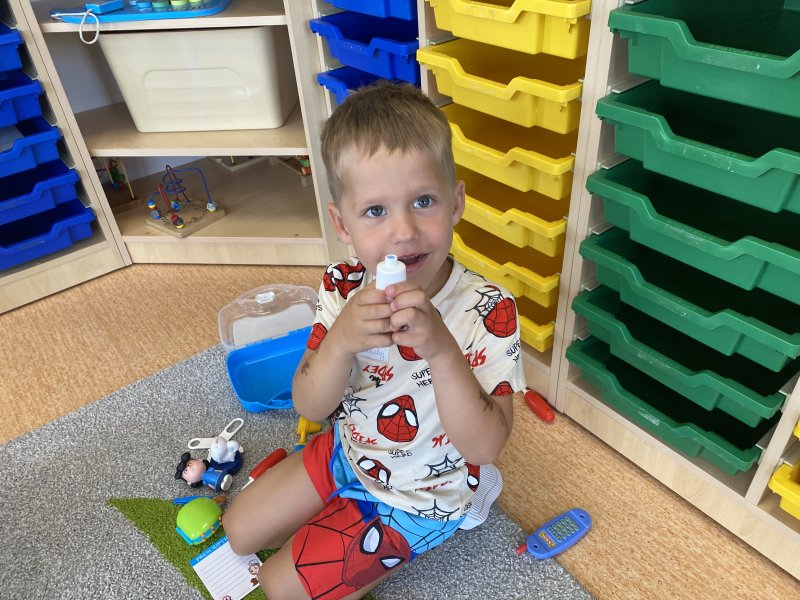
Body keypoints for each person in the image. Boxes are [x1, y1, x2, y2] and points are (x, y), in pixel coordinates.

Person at [223, 81, 525, 600]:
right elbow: (310, 406)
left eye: (423, 201)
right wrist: (340, 341)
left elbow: (486, 445)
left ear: (456, 203)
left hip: (422, 493)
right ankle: (344, 506)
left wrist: (440, 348)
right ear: (342, 223)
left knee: (278, 587)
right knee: (239, 532)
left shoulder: (488, 309)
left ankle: (466, 505)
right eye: (376, 211)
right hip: (350, 449)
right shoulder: (342, 285)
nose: (404, 231)